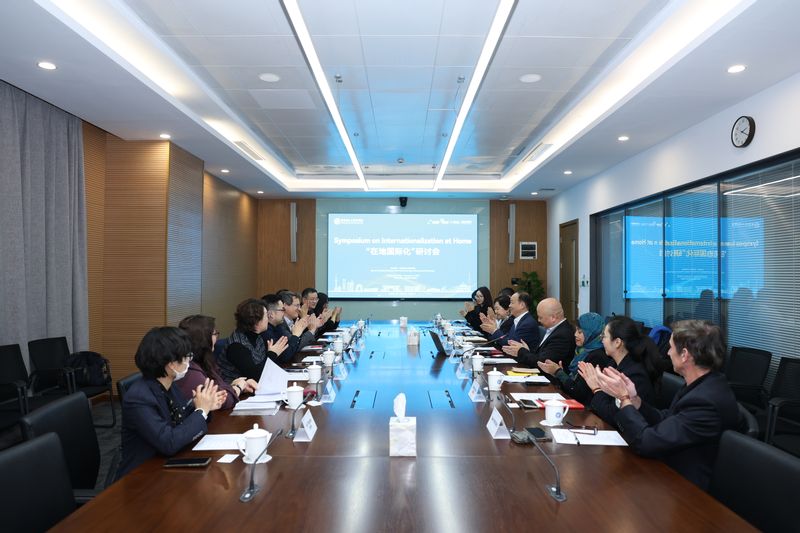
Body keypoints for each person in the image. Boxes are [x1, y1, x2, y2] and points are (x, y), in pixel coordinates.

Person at [594, 320, 739, 490]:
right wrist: (635, 400)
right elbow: (668, 419)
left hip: (686, 489)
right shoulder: (701, 384)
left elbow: (646, 443)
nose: (668, 353)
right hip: (670, 471)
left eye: (670, 347)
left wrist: (624, 399)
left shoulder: (705, 402)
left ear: (684, 355)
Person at [118, 327, 226, 478]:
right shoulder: (139, 398)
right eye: (187, 356)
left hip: (164, 465)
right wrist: (201, 412)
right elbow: (169, 443)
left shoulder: (169, 385)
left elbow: (180, 420)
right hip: (141, 476)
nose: (189, 361)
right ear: (171, 365)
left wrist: (203, 407)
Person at [577, 315, 662, 427]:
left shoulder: (635, 374)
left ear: (617, 342)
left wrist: (596, 388)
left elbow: (612, 416)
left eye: (604, 336)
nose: (602, 340)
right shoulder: (613, 364)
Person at [176, 315, 258, 409]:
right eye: (215, 334)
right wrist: (238, 387)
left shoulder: (205, 360)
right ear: (204, 339)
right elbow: (224, 400)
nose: (217, 337)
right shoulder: (189, 369)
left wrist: (237, 385)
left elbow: (220, 386)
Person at [537, 312, 610, 404]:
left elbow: (578, 393)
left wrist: (558, 372)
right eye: (576, 331)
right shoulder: (581, 351)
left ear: (591, 334)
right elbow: (572, 386)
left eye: (580, 332)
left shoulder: (597, 356)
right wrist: (560, 373)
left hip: (586, 409)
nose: (575, 334)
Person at [217, 298, 289, 382]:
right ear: (256, 321)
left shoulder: (257, 336)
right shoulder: (236, 346)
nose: (268, 319)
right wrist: (272, 354)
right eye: (266, 315)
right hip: (235, 389)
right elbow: (255, 375)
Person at [513, 297, 576, 367]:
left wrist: (521, 351)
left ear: (553, 317)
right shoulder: (555, 329)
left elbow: (542, 363)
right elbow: (540, 355)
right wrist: (526, 351)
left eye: (540, 317)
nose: (538, 320)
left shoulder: (562, 335)